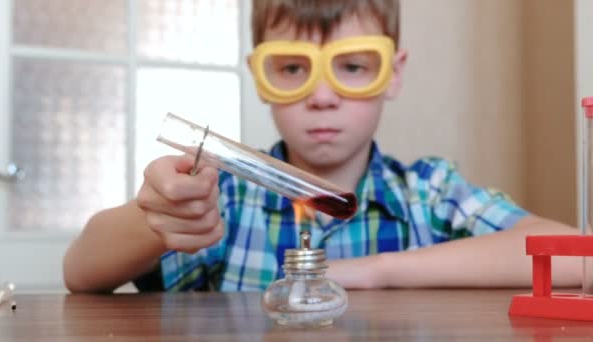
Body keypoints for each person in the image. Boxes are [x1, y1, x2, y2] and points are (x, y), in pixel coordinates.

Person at [63, 0, 581, 293]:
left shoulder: (429, 193)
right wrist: (155, 218)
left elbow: (582, 258)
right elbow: (81, 274)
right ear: (261, 77)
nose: (322, 96)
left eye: (353, 66)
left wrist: (376, 273)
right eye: (293, 69)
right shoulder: (228, 203)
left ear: (392, 73)